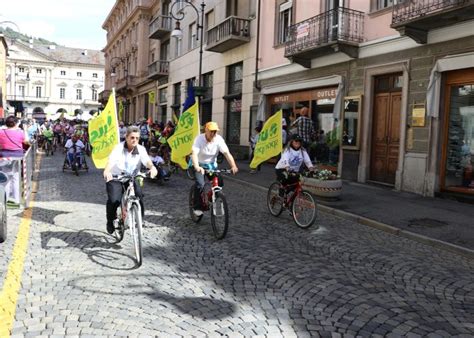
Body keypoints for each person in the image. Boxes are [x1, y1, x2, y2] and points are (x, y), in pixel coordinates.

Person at [103, 126, 158, 234]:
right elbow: (111, 161)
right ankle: (110, 221)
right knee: (114, 200)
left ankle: (139, 219)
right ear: (126, 137)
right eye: (132, 137)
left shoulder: (141, 149)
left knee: (139, 195)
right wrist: (107, 171)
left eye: (137, 138)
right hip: (116, 177)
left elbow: (147, 161)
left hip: (132, 177)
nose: (135, 140)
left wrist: (152, 168)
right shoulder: (118, 148)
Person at [191, 121, 238, 216]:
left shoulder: (219, 140)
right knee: (200, 184)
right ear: (206, 130)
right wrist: (196, 166)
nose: (213, 134)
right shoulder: (199, 139)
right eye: (211, 131)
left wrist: (233, 166)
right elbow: (194, 153)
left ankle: (210, 196)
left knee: (219, 182)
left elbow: (227, 154)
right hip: (199, 164)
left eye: (215, 131)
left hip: (211, 165)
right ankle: (197, 207)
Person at [0, 116, 29, 205]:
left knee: (5, 178)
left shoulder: (1, 132)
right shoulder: (20, 132)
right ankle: (16, 199)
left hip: (4, 156)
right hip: (17, 156)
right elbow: (27, 141)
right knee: (16, 178)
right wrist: (25, 130)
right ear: (16, 123)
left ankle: (5, 198)